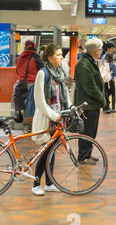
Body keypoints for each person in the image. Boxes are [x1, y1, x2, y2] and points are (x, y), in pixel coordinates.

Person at [31, 44, 71, 196]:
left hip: (58, 119)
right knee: (45, 151)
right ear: (50, 57)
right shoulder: (43, 74)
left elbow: (65, 95)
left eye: (62, 54)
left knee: (52, 151)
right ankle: (35, 184)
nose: (62, 57)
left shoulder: (60, 72)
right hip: (46, 119)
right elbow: (40, 101)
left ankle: (48, 183)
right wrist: (54, 116)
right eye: (59, 54)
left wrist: (70, 108)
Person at [74, 38, 106, 164]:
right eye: (100, 49)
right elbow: (90, 87)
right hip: (87, 105)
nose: (101, 51)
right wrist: (102, 99)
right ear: (96, 51)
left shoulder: (90, 61)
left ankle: (88, 154)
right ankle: (82, 157)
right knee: (86, 132)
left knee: (91, 132)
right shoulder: (84, 64)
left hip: (92, 105)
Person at [15, 40, 44, 133]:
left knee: (23, 104)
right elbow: (42, 69)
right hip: (32, 84)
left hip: (21, 83)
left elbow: (17, 70)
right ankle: (30, 127)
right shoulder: (36, 57)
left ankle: (26, 127)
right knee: (31, 105)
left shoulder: (20, 57)